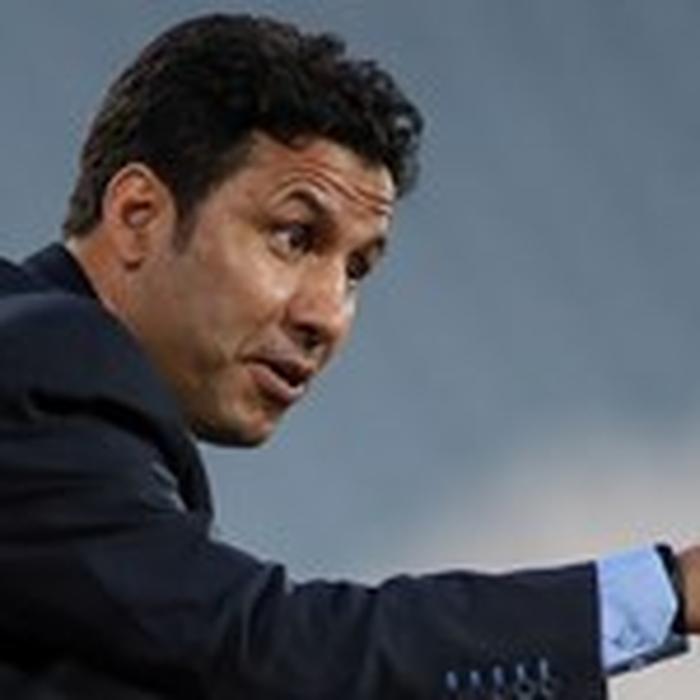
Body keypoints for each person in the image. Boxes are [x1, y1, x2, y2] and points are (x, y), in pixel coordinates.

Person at [0, 12, 698, 699]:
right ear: (139, 215)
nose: (326, 314)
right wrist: (664, 595)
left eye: (355, 271)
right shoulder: (47, 364)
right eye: (294, 237)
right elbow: (265, 652)